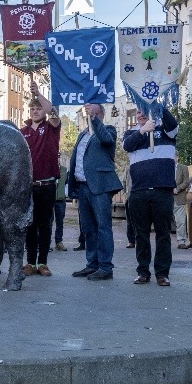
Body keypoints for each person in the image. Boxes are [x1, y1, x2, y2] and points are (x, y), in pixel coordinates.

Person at [122, 107, 180, 286]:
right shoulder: (131, 133)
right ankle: (143, 271)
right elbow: (127, 146)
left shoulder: (166, 131)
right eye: (138, 111)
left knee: (163, 234)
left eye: (145, 110)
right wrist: (142, 130)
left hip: (162, 190)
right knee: (141, 234)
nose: (141, 114)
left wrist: (158, 105)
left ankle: (162, 273)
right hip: (139, 191)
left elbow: (173, 124)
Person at [66, 103, 123, 281]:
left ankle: (106, 266)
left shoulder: (109, 130)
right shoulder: (83, 134)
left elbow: (106, 140)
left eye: (95, 112)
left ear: (101, 115)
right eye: (89, 112)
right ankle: (92, 264)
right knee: (88, 228)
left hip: (99, 186)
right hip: (83, 186)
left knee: (103, 227)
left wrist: (95, 121)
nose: (90, 114)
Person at [20, 80, 61, 276]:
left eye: (38, 108)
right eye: (33, 108)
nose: (36, 111)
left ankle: (43, 262)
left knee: (45, 225)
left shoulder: (51, 127)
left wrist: (37, 93)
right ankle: (30, 262)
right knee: (30, 224)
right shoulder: (23, 132)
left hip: (47, 184)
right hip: (30, 185)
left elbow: (52, 110)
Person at [173, 158, 191, 249]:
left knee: (181, 221)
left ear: (177, 157)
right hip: (167, 198)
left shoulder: (183, 168)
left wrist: (178, 189)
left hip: (179, 197)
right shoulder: (165, 167)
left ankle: (181, 241)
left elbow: (187, 181)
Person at [54, 154, 70, 251]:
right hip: (50, 199)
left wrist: (65, 194)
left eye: (58, 157)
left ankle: (58, 242)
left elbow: (67, 183)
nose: (57, 159)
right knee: (48, 222)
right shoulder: (49, 168)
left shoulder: (65, 170)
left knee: (60, 222)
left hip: (60, 200)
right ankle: (45, 243)